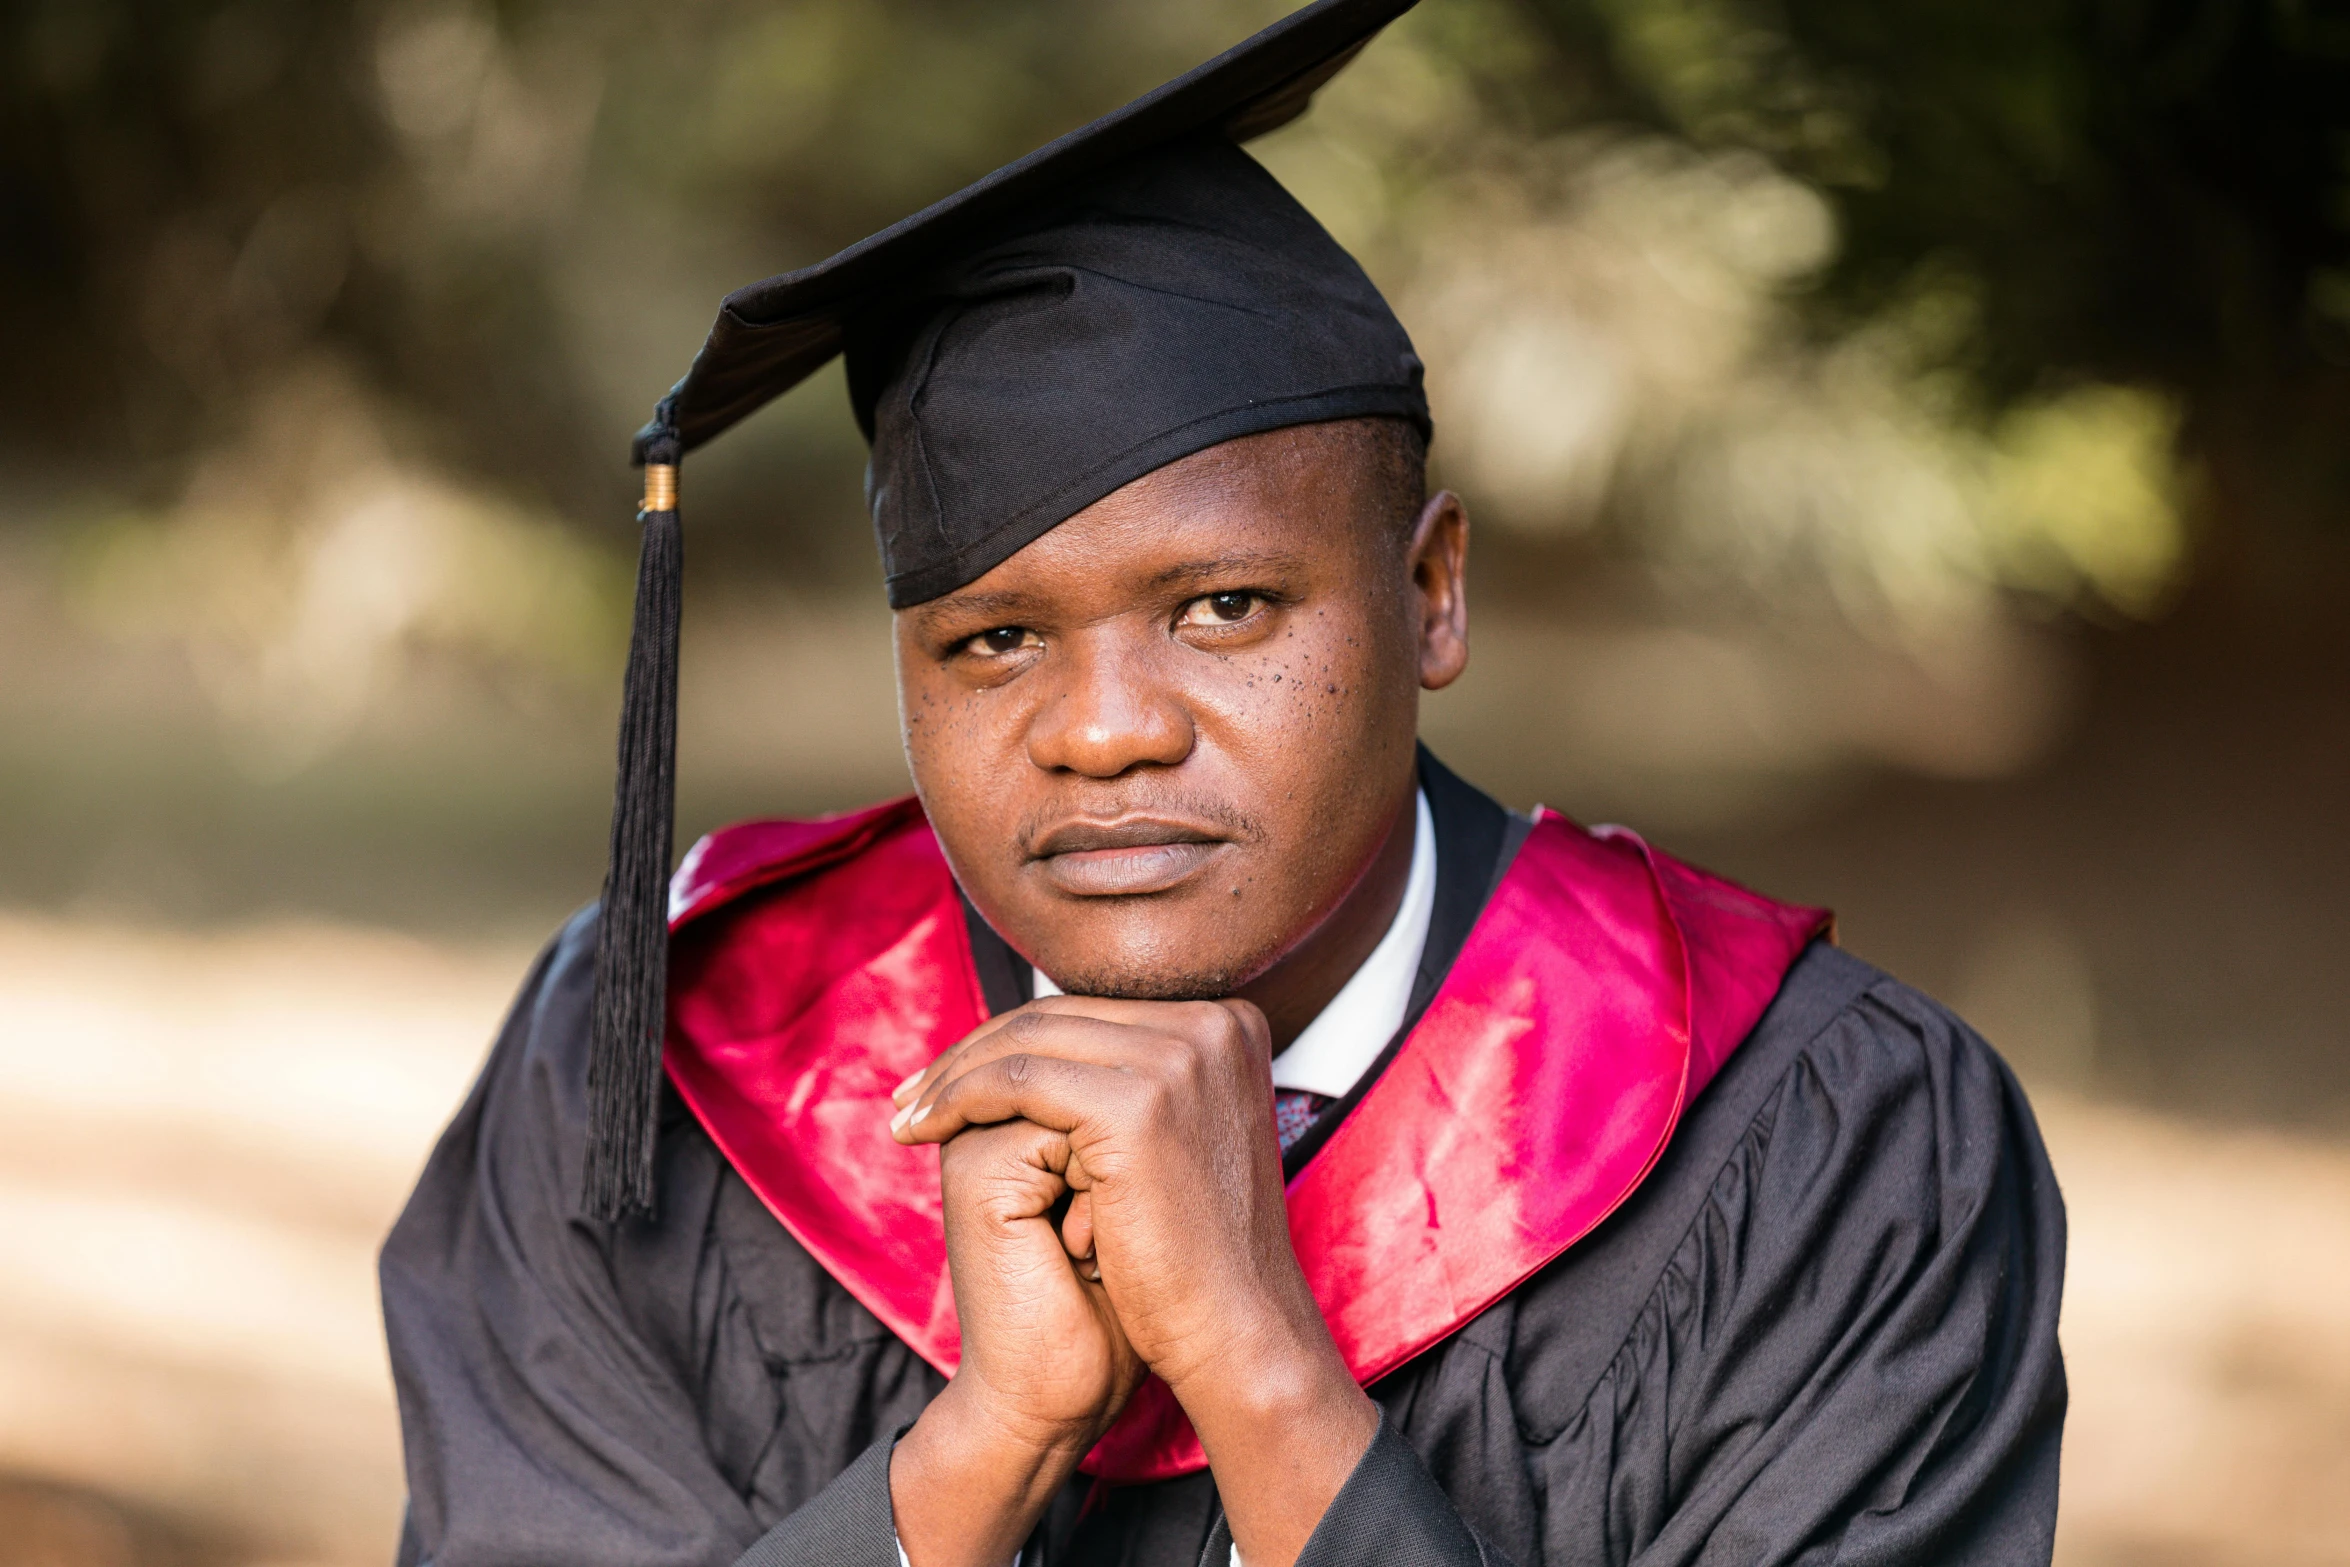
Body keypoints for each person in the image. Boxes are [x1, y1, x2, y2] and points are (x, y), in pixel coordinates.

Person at [379, 3, 2067, 1565]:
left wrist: (1266, 1382)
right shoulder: (665, 1059)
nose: (1102, 730)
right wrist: (974, 1456)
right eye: (989, 641)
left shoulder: (1821, 1139)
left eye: (1223, 608)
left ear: (1430, 594)